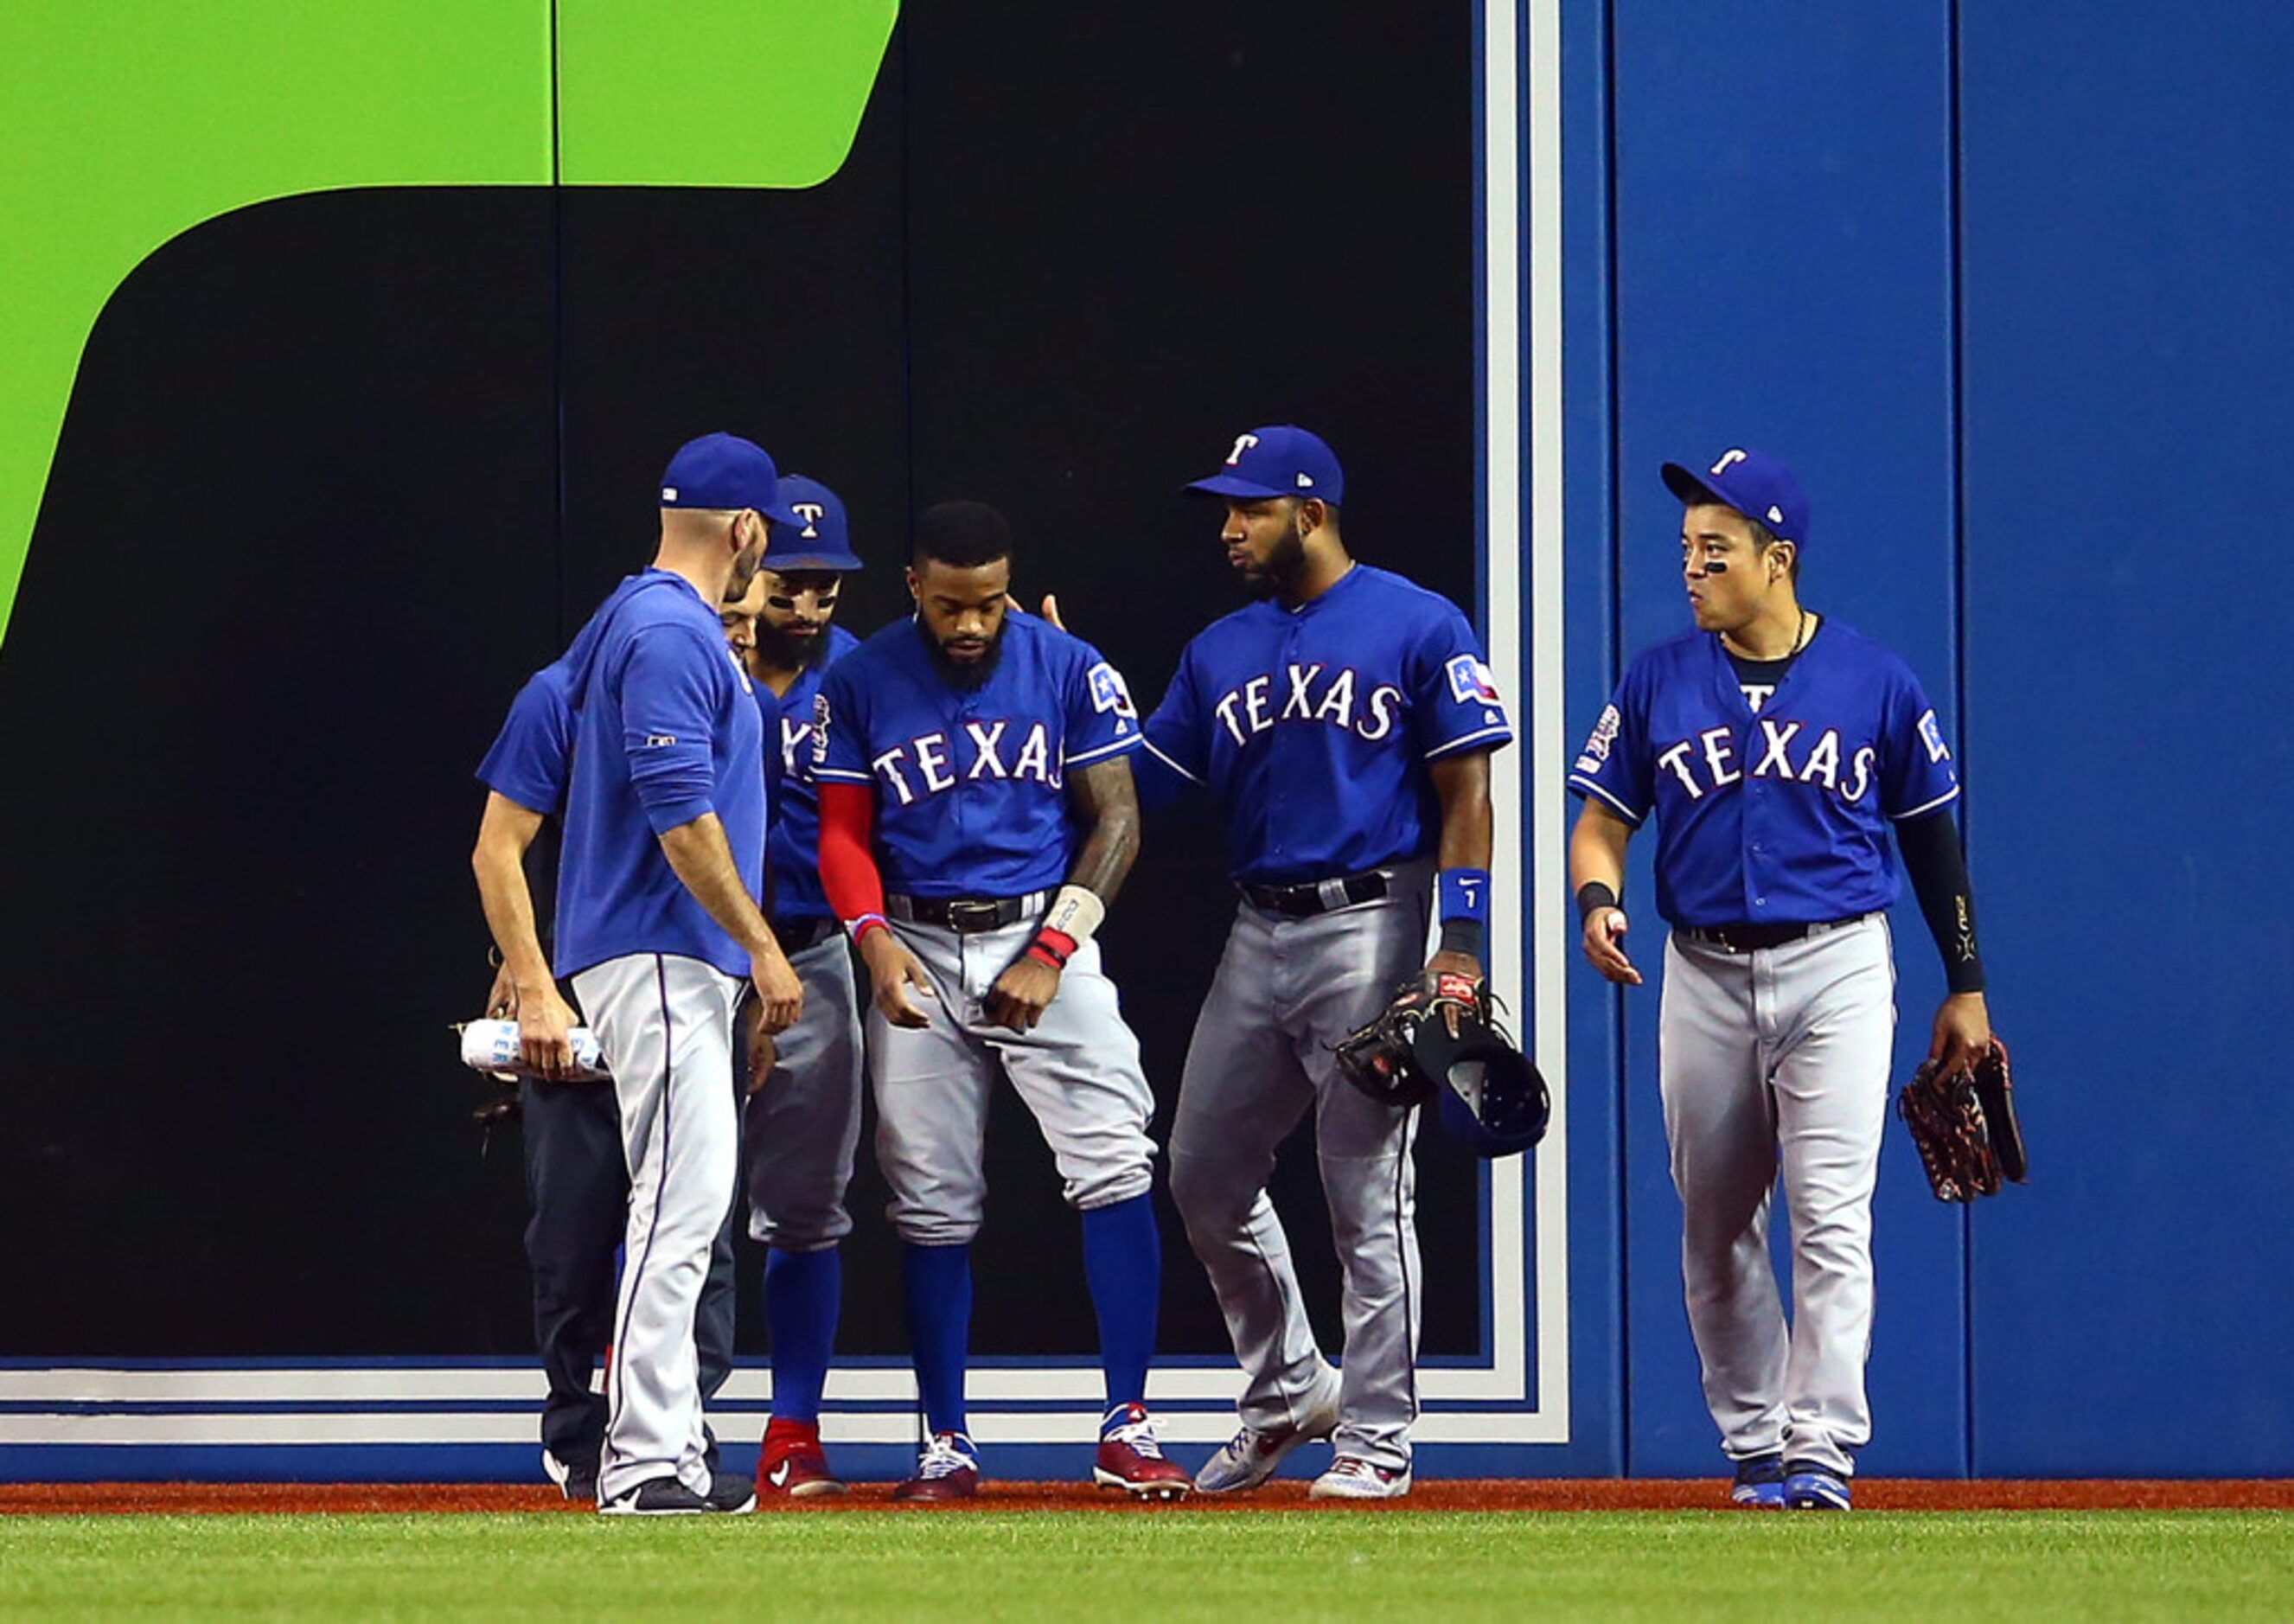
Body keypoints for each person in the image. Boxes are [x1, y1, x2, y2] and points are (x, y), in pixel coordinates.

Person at [1566, 446, 1993, 1512]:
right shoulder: (1657, 678)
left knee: (1830, 1215)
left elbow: (1934, 847)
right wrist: (1596, 899)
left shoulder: (1874, 680)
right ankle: (1755, 1441)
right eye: (1686, 550)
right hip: (1701, 971)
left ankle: (1821, 1452)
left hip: (1839, 963)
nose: (1693, 567)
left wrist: (1966, 985)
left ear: (1778, 559)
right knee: (1714, 1224)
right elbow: (1600, 824)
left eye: (1716, 549)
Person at [1142, 425, 1512, 1501]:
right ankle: (1287, 1391)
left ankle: (1378, 1439)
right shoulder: (1218, 648)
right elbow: (1147, 784)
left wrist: (1460, 947)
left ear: (1309, 513)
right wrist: (1061, 690)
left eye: (1246, 509)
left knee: (1364, 1190)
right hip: (1258, 926)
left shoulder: (1416, 621)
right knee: (1203, 1173)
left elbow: (1467, 793)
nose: (1227, 528)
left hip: (1375, 917)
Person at [810, 500, 1190, 1502]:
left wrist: (1057, 948)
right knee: (929, 1200)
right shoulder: (860, 678)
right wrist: (873, 943)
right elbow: (842, 833)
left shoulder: (1066, 666)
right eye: (949, 605)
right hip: (917, 937)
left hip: (1040, 927)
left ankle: (1126, 1424)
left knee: (1114, 1159)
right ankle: (945, 1440)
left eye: (986, 602)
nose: (971, 624)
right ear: (913, 588)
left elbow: (1116, 820)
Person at [551, 431, 807, 1515]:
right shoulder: (666, 629)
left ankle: (669, 1453)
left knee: (684, 1205)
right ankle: (645, 1457)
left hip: (661, 950)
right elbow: (679, 818)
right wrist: (760, 944)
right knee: (677, 1203)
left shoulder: (640, 614)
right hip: (659, 944)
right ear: (747, 529)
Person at [715, 474, 869, 1499]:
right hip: (692, 957)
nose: (807, 608)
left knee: (806, 1213)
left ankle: (791, 1429)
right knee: (667, 1205)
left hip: (812, 959)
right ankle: (651, 1421)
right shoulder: (678, 654)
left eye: (826, 587)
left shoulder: (861, 676)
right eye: (788, 584)